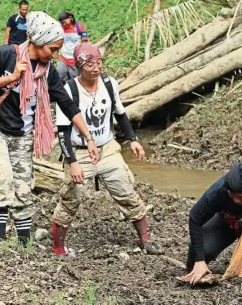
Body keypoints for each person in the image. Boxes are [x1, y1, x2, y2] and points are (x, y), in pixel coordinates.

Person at [0, 11, 99, 248]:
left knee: (23, 185)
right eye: (52, 49)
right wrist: (12, 77)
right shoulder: (5, 55)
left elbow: (67, 104)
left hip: (24, 135)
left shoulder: (48, 72)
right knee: (1, 177)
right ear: (37, 41)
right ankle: (0, 241)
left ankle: (23, 243)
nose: (54, 55)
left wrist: (88, 136)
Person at [52, 43, 164, 256]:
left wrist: (133, 139)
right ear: (79, 67)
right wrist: (73, 162)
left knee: (126, 190)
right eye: (90, 65)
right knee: (71, 197)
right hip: (80, 151)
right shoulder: (69, 91)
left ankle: (146, 240)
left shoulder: (109, 84)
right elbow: (63, 131)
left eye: (99, 62)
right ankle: (58, 248)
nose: (96, 68)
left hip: (107, 148)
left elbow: (120, 113)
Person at [179, 162, 242, 285]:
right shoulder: (220, 189)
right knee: (199, 252)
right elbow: (195, 218)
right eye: (232, 195)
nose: (236, 200)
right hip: (229, 221)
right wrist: (199, 261)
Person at [57, 10, 89, 82]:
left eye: (64, 22)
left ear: (70, 18)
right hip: (63, 58)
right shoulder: (61, 28)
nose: (64, 24)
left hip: (74, 60)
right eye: (62, 23)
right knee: (60, 76)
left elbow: (84, 40)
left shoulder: (79, 26)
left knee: (74, 80)